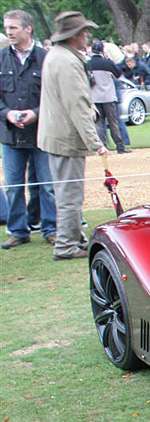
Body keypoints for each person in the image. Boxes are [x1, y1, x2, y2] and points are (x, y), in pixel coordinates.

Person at [37, 11, 107, 260]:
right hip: (66, 138)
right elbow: (77, 106)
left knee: (67, 192)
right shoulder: (65, 61)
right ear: (74, 36)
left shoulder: (58, 56)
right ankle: (66, 246)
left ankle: (74, 239)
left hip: (58, 136)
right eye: (84, 31)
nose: (87, 35)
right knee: (70, 195)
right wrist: (96, 143)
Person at [1, 9, 57, 249]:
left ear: (28, 29)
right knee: (14, 187)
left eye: (13, 27)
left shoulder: (46, 58)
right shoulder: (1, 58)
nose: (8, 32)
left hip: (41, 134)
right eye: (7, 27)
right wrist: (7, 113)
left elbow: (54, 96)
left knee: (48, 186)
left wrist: (36, 112)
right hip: (10, 135)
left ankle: (51, 228)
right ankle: (18, 230)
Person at [88, 41, 128, 154]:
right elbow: (119, 75)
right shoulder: (107, 63)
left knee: (99, 123)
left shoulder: (88, 64)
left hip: (94, 97)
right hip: (108, 97)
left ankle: (102, 146)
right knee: (113, 123)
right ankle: (120, 146)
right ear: (102, 50)